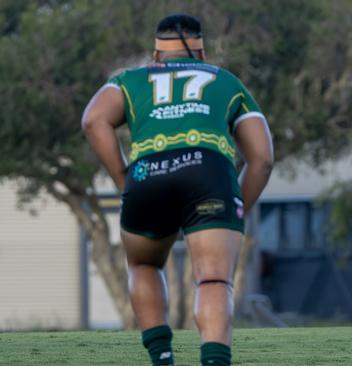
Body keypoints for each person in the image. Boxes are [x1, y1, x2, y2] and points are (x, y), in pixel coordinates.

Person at [81, 14, 273, 366]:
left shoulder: (129, 80)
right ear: (202, 54)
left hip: (147, 174)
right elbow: (261, 159)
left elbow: (93, 120)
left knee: (143, 264)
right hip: (209, 174)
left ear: (156, 56)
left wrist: (125, 178)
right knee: (213, 280)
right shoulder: (226, 81)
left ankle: (163, 358)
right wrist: (233, 209)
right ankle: (215, 361)